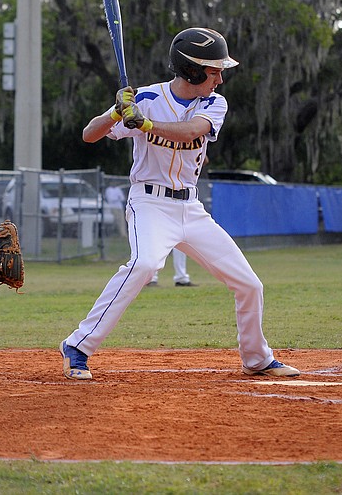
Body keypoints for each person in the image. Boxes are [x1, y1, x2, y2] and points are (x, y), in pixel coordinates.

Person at [60, 27, 299, 380]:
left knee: (249, 284)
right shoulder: (145, 98)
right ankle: (78, 346)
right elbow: (89, 134)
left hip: (191, 207)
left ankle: (256, 358)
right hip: (149, 203)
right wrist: (116, 112)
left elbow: (191, 131)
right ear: (192, 70)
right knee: (143, 266)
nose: (219, 78)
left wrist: (145, 122)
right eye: (214, 70)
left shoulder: (213, 103)